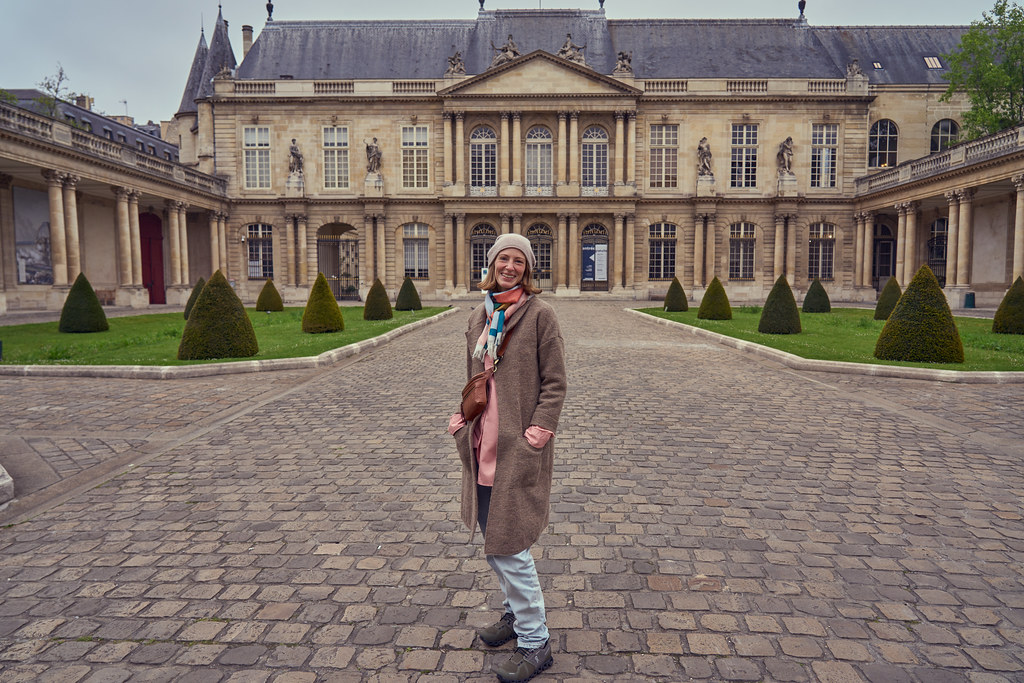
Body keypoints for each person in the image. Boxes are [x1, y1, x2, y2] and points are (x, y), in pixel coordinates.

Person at [448, 232, 567, 683]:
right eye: (504, 259)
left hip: (518, 444)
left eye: (519, 260)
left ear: (528, 269)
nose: (510, 266)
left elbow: (555, 382)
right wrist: (461, 416)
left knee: (511, 545)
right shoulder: (482, 314)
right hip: (482, 441)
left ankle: (536, 642)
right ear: (492, 265)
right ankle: (515, 615)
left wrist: (538, 431)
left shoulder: (540, 315)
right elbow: (475, 378)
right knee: (492, 536)